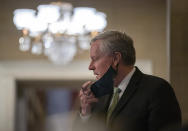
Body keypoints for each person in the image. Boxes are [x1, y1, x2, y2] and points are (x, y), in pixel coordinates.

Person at [73, 31, 182, 131]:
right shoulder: (97, 96)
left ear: (115, 59)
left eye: (95, 59)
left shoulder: (157, 89)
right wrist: (85, 112)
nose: (90, 67)